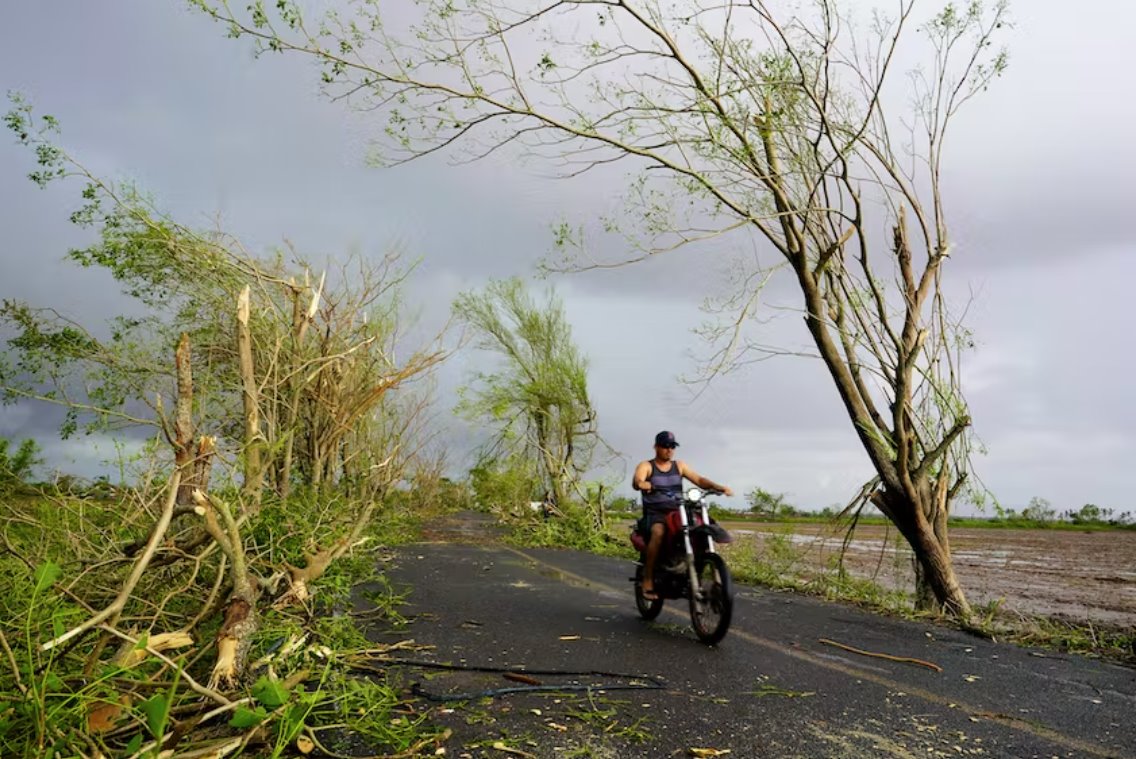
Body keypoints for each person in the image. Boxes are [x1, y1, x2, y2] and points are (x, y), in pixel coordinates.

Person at [632, 430, 733, 600]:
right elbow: (638, 480)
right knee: (658, 532)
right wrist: (643, 483)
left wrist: (718, 487)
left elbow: (699, 480)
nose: (669, 450)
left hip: (679, 510)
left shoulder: (679, 465)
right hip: (656, 513)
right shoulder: (647, 466)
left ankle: (702, 568)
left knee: (702, 526)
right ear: (656, 447)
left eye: (672, 446)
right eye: (665, 446)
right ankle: (648, 579)